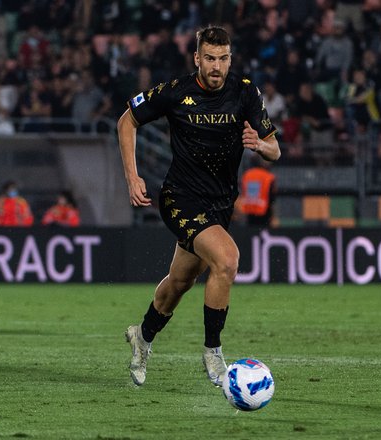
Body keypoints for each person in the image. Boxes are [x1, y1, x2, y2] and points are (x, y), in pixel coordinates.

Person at [117, 26, 280, 387]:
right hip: (180, 198)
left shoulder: (246, 92)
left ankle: (142, 337)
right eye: (210, 58)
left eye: (223, 59)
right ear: (197, 59)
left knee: (180, 282)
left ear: (230, 59)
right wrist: (133, 176)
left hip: (220, 205)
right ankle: (213, 353)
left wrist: (259, 144)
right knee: (227, 260)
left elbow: (275, 149)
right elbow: (127, 119)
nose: (217, 66)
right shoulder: (176, 92)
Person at [239, 155, 277, 227]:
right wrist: (273, 216)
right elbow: (272, 198)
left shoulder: (247, 175)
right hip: (264, 212)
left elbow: (242, 192)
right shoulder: (268, 177)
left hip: (248, 211)